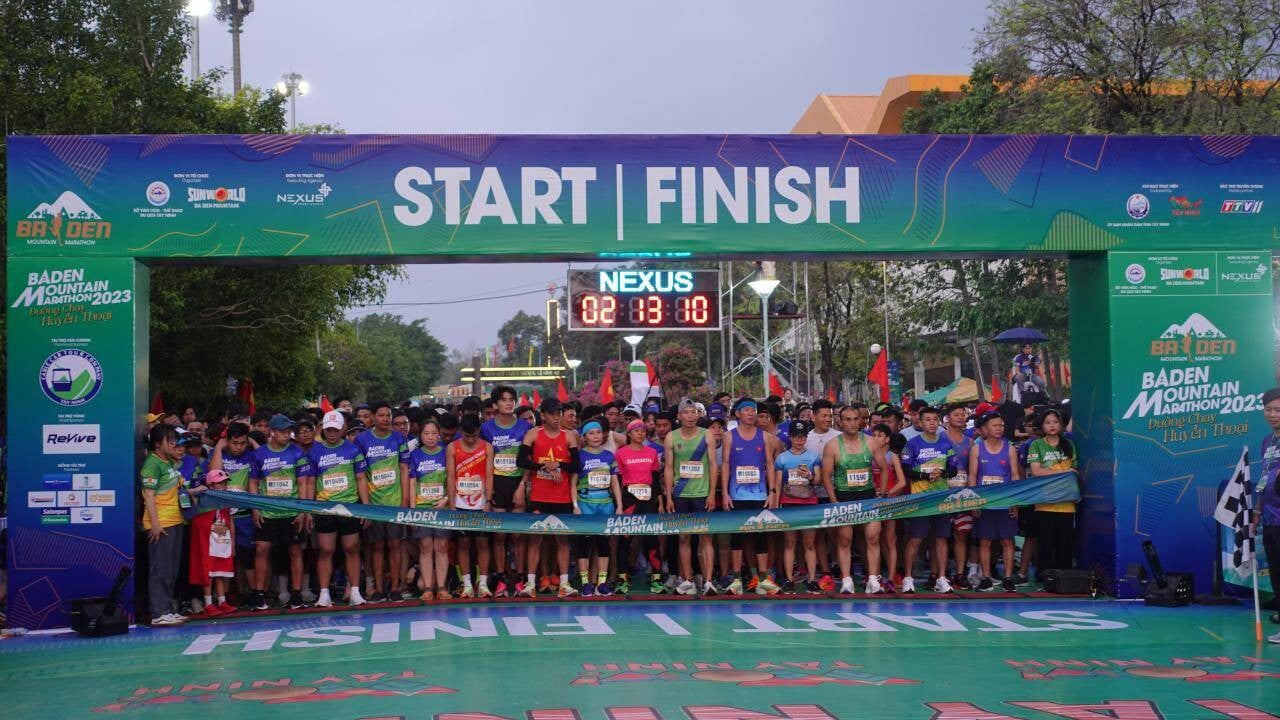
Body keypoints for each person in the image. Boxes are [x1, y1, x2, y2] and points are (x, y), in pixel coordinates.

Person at [248, 414, 314, 610]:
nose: (287, 435)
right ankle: (260, 594)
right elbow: (253, 483)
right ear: (272, 432)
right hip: (267, 512)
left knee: (295, 551)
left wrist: (303, 511)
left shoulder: (297, 453)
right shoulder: (259, 454)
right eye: (283, 432)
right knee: (261, 550)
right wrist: (255, 508)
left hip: (291, 512)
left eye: (288, 431)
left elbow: (303, 483)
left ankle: (296, 594)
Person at [517, 398, 580, 597]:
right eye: (552, 413)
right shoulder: (533, 434)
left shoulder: (569, 436)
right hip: (538, 496)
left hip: (561, 497)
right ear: (542, 415)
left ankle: (564, 584)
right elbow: (521, 461)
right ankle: (530, 584)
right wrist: (543, 466)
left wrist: (558, 464)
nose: (556, 417)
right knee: (536, 539)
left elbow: (577, 466)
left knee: (562, 541)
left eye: (559, 413)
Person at [822, 406, 885, 594]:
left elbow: (884, 468)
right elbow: (826, 476)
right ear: (840, 422)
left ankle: (873, 579)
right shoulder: (832, 445)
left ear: (860, 420)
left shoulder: (872, 443)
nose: (851, 423)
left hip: (868, 497)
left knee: (873, 537)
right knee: (844, 540)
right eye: (847, 419)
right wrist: (834, 501)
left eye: (855, 419)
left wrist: (880, 492)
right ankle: (847, 579)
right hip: (844, 498)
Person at [308, 410, 368, 607]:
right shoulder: (315, 451)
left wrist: (365, 507)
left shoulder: (353, 450)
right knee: (326, 549)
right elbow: (310, 481)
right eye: (328, 430)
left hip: (349, 506)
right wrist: (309, 509)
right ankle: (324, 594)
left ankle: (355, 592)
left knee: (352, 548)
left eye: (335, 429)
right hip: (324, 508)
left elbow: (360, 478)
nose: (332, 433)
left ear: (343, 428)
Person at [721, 399, 780, 595]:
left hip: (760, 494)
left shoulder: (765, 436)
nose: (751, 413)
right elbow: (726, 465)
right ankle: (736, 579)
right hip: (737, 494)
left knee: (760, 535)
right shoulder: (729, 437)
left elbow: (770, 464)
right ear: (737, 414)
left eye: (753, 410)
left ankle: (763, 579)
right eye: (746, 410)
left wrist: (772, 492)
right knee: (737, 536)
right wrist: (725, 494)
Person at [355, 402, 410, 602]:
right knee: (376, 547)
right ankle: (378, 589)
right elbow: (360, 474)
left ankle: (395, 588)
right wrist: (366, 503)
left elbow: (404, 469)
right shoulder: (362, 440)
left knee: (395, 546)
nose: (385, 419)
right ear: (372, 417)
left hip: (395, 502)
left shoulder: (398, 438)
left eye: (388, 415)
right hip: (374, 504)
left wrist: (405, 499)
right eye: (381, 415)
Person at [664, 398, 719, 596]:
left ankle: (709, 581)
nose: (690, 415)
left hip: (702, 494)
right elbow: (669, 468)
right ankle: (687, 580)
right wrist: (669, 496)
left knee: (706, 538)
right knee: (684, 537)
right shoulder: (671, 437)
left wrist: (712, 493)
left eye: (694, 412)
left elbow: (713, 465)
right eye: (686, 412)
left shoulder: (707, 435)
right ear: (679, 416)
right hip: (681, 494)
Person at [482, 386, 533, 596]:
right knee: (500, 535)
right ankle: (501, 579)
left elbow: (529, 461)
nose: (509, 403)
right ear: (495, 405)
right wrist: (488, 491)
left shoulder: (524, 427)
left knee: (518, 535)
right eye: (504, 400)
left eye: (511, 399)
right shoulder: (486, 428)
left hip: (517, 483)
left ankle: (520, 578)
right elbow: (485, 461)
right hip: (497, 484)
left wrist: (522, 486)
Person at [900, 406, 957, 593]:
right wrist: (925, 476)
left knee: (941, 539)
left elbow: (954, 470)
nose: (932, 423)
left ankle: (941, 578)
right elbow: (906, 470)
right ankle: (907, 578)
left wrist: (943, 473)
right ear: (920, 422)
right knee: (915, 539)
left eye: (935, 419)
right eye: (928, 420)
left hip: (941, 498)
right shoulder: (913, 444)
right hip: (920, 499)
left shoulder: (946, 444)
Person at [141, 424, 189, 625]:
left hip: (176, 519)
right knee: (160, 569)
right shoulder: (152, 464)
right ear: (157, 443)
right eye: (169, 440)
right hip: (161, 523)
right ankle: (158, 613)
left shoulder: (168, 462)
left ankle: (169, 609)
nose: (174, 443)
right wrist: (155, 523)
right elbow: (148, 495)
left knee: (171, 570)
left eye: (174, 439)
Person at [968, 412, 1022, 592]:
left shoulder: (1010, 448)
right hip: (985, 503)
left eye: (1001, 425)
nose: (999, 429)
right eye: (995, 425)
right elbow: (973, 476)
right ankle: (986, 577)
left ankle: (1007, 577)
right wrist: (973, 501)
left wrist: (1015, 502)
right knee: (985, 541)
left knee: (1007, 541)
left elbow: (1015, 475)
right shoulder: (977, 448)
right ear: (985, 429)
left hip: (1005, 502)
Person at [775, 420, 829, 593]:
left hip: (809, 503)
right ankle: (789, 580)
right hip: (789, 503)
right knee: (789, 542)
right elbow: (777, 484)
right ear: (790, 437)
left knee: (809, 543)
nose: (799, 439)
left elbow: (819, 480)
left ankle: (812, 580)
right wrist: (776, 505)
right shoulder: (782, 458)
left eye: (803, 436)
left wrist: (811, 477)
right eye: (796, 436)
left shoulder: (813, 456)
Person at [573, 419, 622, 596]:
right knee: (584, 544)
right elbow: (573, 482)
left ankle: (601, 583)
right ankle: (585, 583)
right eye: (591, 433)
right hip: (585, 504)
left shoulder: (609, 455)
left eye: (598, 432)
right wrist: (575, 505)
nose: (596, 436)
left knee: (603, 544)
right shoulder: (579, 456)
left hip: (606, 505)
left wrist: (619, 506)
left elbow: (615, 482)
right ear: (584, 437)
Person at [404, 419, 451, 600]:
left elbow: (451, 479)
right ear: (420, 436)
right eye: (426, 434)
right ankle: (428, 589)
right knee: (425, 547)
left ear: (439, 434)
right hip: (422, 508)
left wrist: (446, 500)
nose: (430, 437)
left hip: (442, 507)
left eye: (433, 433)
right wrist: (413, 510)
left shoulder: (446, 452)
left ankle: (442, 587)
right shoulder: (415, 455)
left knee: (442, 546)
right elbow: (412, 481)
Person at [1027, 408, 1078, 575]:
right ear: (1042, 426)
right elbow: (1036, 472)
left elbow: (1075, 469)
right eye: (1048, 423)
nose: (1052, 426)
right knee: (1045, 543)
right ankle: (1045, 577)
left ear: (1062, 424)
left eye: (1055, 422)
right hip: (1045, 501)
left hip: (1066, 502)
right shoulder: (1036, 445)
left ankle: (1064, 578)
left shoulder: (1069, 444)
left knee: (1065, 543)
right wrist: (1065, 472)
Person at [449, 414, 493, 598]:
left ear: (479, 431)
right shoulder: (453, 447)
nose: (470, 439)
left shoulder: (487, 447)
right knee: (463, 544)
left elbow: (489, 475)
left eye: (474, 435)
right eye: (467, 436)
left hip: (481, 503)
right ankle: (466, 584)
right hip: (460, 503)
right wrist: (452, 504)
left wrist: (488, 500)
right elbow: (451, 477)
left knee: (483, 543)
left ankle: (482, 583)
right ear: (461, 432)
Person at [188, 468, 235, 617]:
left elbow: (231, 522)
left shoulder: (228, 499)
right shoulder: (202, 498)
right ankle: (208, 603)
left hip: (222, 536)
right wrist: (198, 490)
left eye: (225, 483)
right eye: (219, 483)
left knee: (220, 569)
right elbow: (189, 496)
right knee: (207, 570)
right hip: (206, 539)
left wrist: (233, 541)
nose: (223, 486)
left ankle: (222, 601)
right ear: (211, 485)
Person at [942, 403, 976, 589]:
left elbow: (972, 470)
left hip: (962, 494)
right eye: (956, 414)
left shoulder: (970, 442)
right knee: (939, 536)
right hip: (941, 493)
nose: (961, 417)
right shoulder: (939, 438)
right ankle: (940, 572)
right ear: (947, 418)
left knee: (961, 533)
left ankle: (960, 573)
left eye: (963, 415)